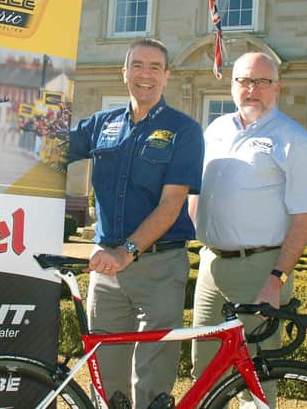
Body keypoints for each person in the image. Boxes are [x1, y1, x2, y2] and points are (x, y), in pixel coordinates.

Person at [69, 38, 204, 408]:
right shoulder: (101, 124)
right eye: (138, 66)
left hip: (159, 268)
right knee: (107, 379)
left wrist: (127, 251)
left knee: (153, 382)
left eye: (155, 67)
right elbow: (49, 150)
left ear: (167, 76)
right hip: (106, 270)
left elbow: (171, 204)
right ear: (124, 72)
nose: (146, 75)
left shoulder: (185, 130)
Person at [189, 52, 307, 407]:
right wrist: (204, 234)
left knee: (257, 375)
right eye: (244, 81)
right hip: (210, 266)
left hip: (258, 268)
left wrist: (275, 277)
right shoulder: (215, 129)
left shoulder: (295, 140)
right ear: (232, 85)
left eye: (262, 81)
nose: (253, 89)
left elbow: (304, 218)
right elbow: (196, 191)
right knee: (204, 368)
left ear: (277, 87)